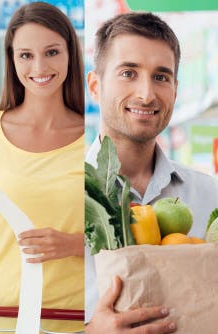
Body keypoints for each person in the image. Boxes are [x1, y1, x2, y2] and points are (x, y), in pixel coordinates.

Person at [0, 2, 85, 333]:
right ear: (12, 60)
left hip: (75, 320)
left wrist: (70, 244)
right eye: (26, 55)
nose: (39, 66)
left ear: (70, 54)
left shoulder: (96, 137)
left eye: (52, 52)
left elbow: (120, 241)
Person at [84, 12, 218, 333]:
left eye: (161, 77)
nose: (146, 94)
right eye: (129, 73)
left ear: (175, 88)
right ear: (95, 86)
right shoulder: (55, 197)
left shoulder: (210, 195)